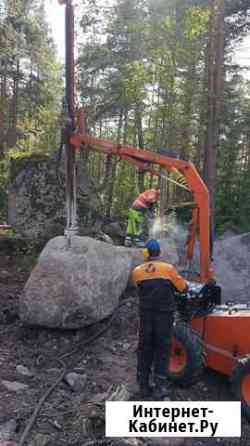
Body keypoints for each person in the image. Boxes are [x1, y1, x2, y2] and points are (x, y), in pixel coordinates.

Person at [131, 239, 188, 400]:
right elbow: (183, 288)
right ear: (159, 253)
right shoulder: (168, 269)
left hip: (146, 316)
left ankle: (143, 385)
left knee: (144, 348)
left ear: (146, 253)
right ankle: (160, 387)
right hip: (164, 316)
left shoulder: (137, 271)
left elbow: (138, 288)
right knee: (162, 349)